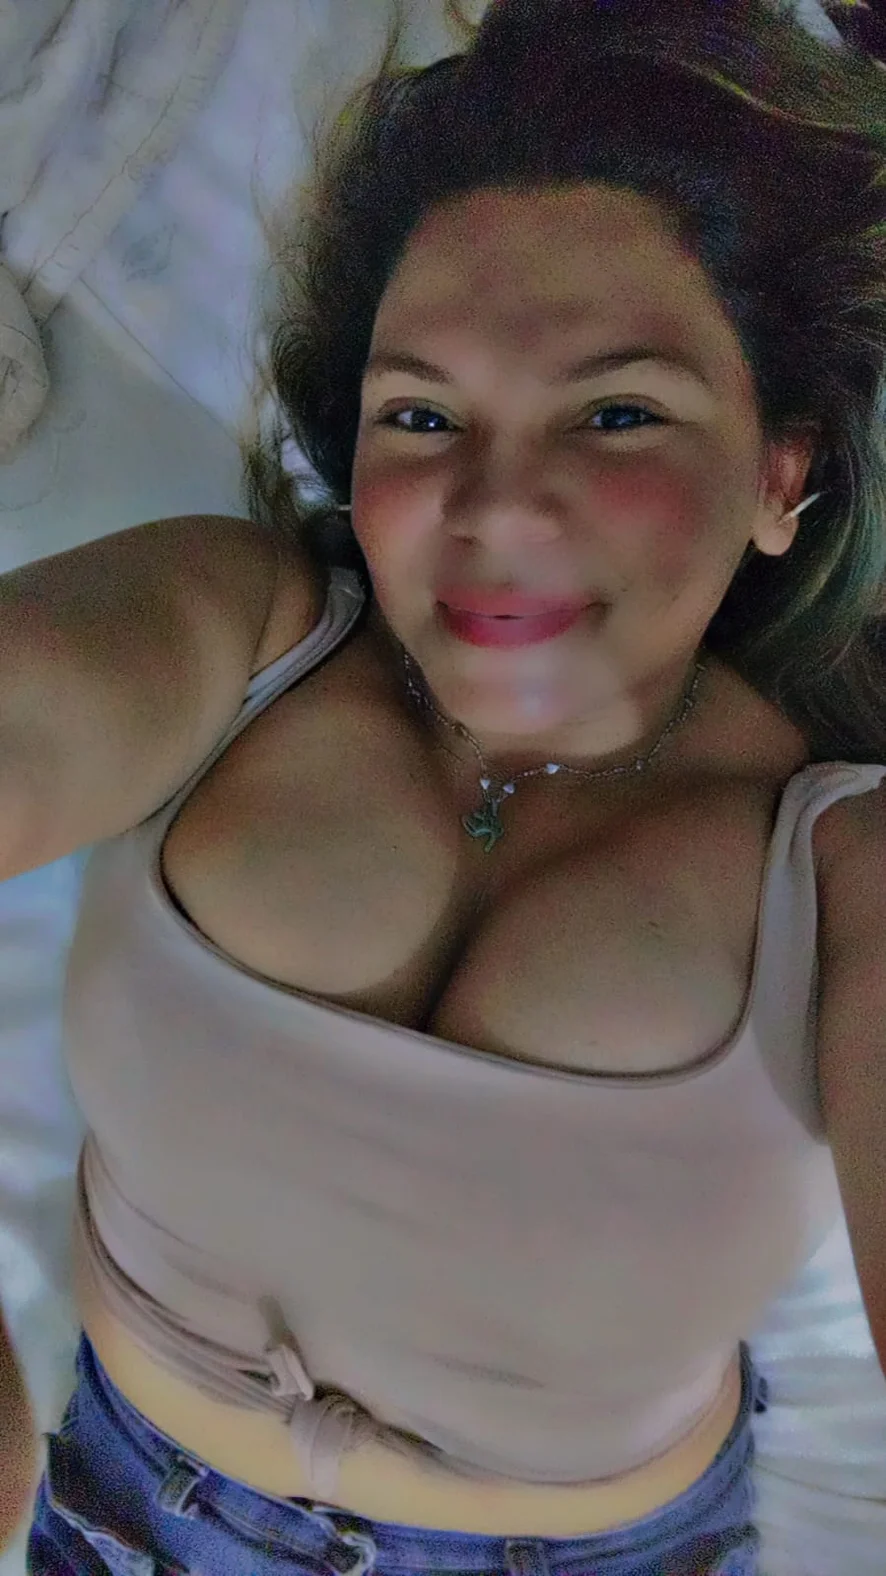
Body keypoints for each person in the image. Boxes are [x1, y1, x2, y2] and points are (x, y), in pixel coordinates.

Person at [3, 0, 886, 1570]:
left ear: (779, 475)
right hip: (114, 1508)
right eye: (421, 414)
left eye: (615, 412)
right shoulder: (240, 625)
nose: (494, 507)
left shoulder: (841, 856)